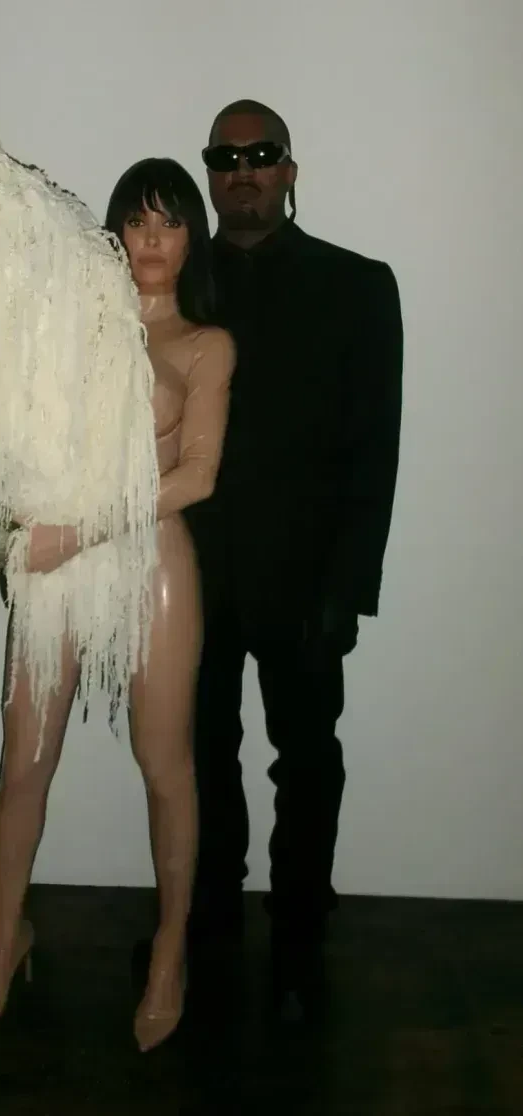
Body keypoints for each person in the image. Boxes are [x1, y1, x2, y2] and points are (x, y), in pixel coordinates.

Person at [0, 157, 235, 1052]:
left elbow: (197, 475)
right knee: (24, 763)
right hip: (57, 564)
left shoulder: (204, 344)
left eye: (170, 222)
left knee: (165, 764)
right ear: (115, 234)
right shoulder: (72, 324)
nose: (152, 240)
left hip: (151, 557)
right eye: (137, 221)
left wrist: (74, 534)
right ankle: (4, 945)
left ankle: (169, 955)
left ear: (191, 239)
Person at [182, 100, 403, 1021]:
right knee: (199, 759)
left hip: (306, 580)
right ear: (209, 172)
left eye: (261, 154)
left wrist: (348, 586)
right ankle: (207, 929)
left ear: (289, 170)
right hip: (189, 575)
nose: (243, 170)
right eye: (225, 156)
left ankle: (300, 942)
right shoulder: (172, 286)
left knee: (308, 763)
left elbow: (374, 449)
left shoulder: (358, 286)